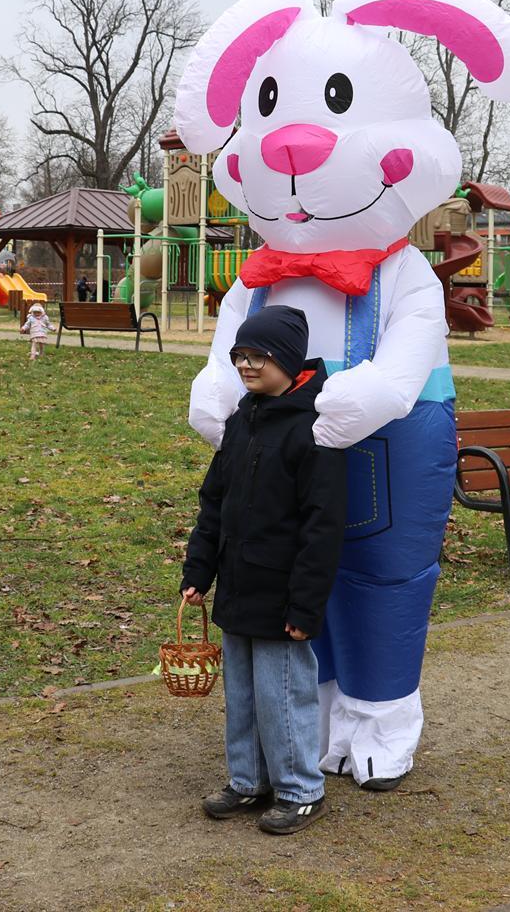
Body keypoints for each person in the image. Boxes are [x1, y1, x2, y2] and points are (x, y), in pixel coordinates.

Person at [181, 305, 346, 836]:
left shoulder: (314, 432)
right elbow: (214, 504)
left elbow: (323, 529)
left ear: (288, 360)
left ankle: (301, 790)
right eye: (239, 357)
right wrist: (198, 571)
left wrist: (304, 605)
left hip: (281, 596)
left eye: (258, 356)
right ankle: (248, 780)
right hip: (237, 583)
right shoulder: (240, 422)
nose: (247, 366)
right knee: (243, 695)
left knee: (282, 694)